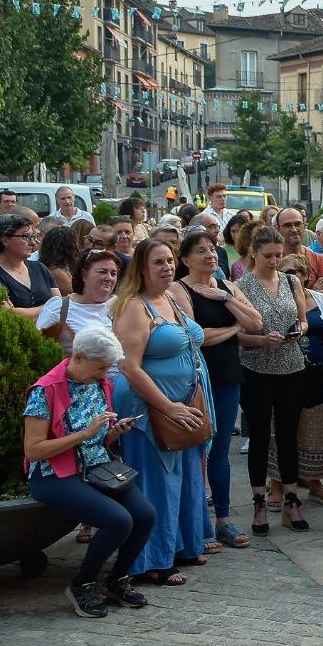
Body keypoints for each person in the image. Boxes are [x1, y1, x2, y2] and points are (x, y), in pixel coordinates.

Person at [22, 326, 155, 617]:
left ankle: (117, 579)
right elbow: (33, 450)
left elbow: (100, 438)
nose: (105, 374)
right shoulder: (45, 390)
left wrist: (113, 433)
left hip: (96, 466)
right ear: (79, 357)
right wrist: (85, 433)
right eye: (100, 367)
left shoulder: (98, 384)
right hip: (53, 475)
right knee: (118, 520)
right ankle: (82, 584)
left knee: (145, 515)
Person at [109, 238, 213, 586]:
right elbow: (130, 367)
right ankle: (152, 560)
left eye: (170, 261)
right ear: (141, 268)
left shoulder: (169, 298)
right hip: (151, 409)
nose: (168, 267)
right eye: (158, 262)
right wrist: (167, 406)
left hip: (184, 405)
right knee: (158, 483)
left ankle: (181, 545)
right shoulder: (134, 307)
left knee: (183, 479)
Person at [170, 231, 261, 550]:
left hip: (227, 374)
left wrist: (225, 299)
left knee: (220, 448)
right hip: (195, 377)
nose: (210, 255)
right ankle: (198, 523)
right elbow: (196, 336)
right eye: (200, 251)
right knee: (197, 449)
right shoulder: (178, 289)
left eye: (212, 249)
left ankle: (223, 518)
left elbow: (256, 322)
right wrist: (234, 329)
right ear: (185, 260)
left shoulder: (226, 287)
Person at [235, 227, 312, 537]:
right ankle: (258, 501)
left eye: (278, 255)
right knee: (259, 436)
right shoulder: (241, 286)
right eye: (268, 256)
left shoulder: (291, 280)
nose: (274, 261)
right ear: (254, 253)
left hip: (291, 365)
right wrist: (260, 340)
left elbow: (304, 319)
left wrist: (299, 330)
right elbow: (234, 335)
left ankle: (292, 499)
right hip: (255, 367)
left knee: (288, 434)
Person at [266, 253, 323, 511]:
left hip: (317, 372)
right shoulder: (275, 300)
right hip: (283, 373)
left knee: (316, 430)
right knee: (283, 429)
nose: (290, 278)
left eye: (295, 272)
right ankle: (276, 483)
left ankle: (314, 481)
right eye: (285, 272)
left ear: (305, 276)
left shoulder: (318, 298)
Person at [38, 248, 120, 355]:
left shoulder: (120, 305)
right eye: (102, 272)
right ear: (84, 275)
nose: (109, 278)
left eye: (113, 274)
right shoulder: (60, 307)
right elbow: (38, 347)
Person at [0, 214, 56, 321]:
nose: (32, 242)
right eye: (25, 237)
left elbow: (60, 305)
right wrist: (50, 308)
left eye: (33, 236)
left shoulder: (40, 268)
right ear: (5, 240)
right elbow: (8, 314)